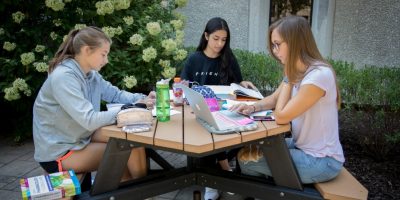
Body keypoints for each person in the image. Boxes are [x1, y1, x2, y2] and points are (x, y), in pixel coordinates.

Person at [231, 15, 344, 186]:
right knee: (251, 149)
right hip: (304, 147)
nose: (274, 51)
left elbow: (282, 117)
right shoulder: (299, 71)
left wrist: (289, 78)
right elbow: (274, 99)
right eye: (273, 45)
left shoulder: (318, 75)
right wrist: (252, 108)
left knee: (246, 159)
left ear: (295, 43)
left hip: (322, 161)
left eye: (277, 44)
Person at [32, 26, 155, 182]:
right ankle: (141, 191)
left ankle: (137, 190)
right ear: (86, 50)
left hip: (80, 136)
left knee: (131, 139)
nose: (106, 60)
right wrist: (128, 110)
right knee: (124, 152)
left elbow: (115, 94)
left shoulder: (90, 74)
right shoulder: (64, 77)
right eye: (103, 54)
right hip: (58, 152)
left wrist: (144, 99)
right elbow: (89, 120)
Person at [180, 17, 257, 200]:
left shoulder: (228, 58)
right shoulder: (194, 59)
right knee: (208, 128)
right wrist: (182, 89)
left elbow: (236, 87)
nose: (219, 44)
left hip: (223, 112)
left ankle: (215, 181)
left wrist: (242, 84)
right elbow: (184, 87)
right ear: (206, 36)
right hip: (197, 113)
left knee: (214, 129)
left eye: (223, 40)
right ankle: (221, 175)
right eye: (216, 38)